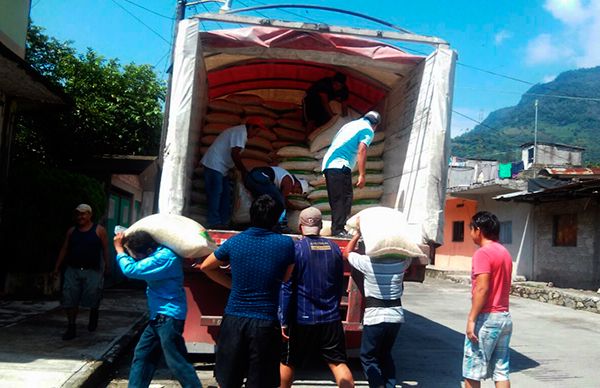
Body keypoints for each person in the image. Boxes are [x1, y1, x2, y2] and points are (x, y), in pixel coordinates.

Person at [200, 195, 296, 388]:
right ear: (277, 218)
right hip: (265, 322)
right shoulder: (285, 244)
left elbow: (206, 266)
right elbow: (286, 278)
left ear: (252, 215)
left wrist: (231, 284)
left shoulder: (236, 242)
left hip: (234, 319)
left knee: (227, 380)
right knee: (261, 381)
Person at [113, 230, 202, 388]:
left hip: (168, 317)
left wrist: (120, 251)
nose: (134, 259)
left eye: (136, 256)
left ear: (148, 251)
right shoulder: (158, 253)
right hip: (158, 317)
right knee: (143, 356)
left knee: (177, 362)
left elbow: (131, 270)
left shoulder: (164, 258)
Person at [279, 207, 354, 388]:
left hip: (301, 318)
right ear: (320, 226)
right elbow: (338, 284)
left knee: (288, 361)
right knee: (337, 362)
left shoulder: (295, 249)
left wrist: (283, 320)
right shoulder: (335, 248)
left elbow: (287, 287)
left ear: (300, 226)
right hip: (330, 318)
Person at [343, 220, 411, 388]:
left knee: (368, 356)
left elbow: (347, 252)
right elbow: (411, 252)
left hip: (375, 317)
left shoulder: (367, 263)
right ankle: (389, 385)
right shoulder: (401, 264)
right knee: (385, 354)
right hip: (396, 316)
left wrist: (357, 234)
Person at [463, 211, 513, 388]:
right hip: (504, 316)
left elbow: (482, 288)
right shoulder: (504, 252)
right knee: (501, 371)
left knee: (472, 372)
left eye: (471, 228)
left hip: (486, 318)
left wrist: (471, 319)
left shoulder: (483, 253)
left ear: (478, 230)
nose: (470, 233)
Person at [54, 203, 109, 340]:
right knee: (69, 298)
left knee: (92, 294)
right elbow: (64, 249)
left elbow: (106, 249)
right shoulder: (72, 231)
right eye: (78, 214)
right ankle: (71, 326)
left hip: (92, 270)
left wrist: (107, 266)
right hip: (73, 270)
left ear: (90, 215)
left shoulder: (99, 230)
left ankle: (94, 310)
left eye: (83, 213)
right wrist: (57, 267)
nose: (80, 216)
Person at [322, 111, 381, 237]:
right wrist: (362, 174)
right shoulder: (368, 130)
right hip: (339, 165)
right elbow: (362, 149)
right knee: (343, 199)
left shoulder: (351, 125)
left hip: (330, 164)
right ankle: (338, 230)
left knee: (340, 199)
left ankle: (337, 228)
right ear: (375, 125)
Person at [200, 117, 267, 228]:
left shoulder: (241, 134)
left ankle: (224, 221)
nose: (256, 134)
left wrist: (234, 169)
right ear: (250, 127)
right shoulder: (241, 132)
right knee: (216, 193)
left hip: (222, 168)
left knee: (226, 195)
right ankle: (214, 222)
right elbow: (235, 154)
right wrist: (244, 171)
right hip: (214, 165)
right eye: (256, 131)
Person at [244, 166, 310, 231]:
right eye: (297, 191)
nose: (294, 192)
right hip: (259, 177)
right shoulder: (289, 182)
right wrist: (292, 207)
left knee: (262, 203)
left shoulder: (286, 178)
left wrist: (293, 207)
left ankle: (255, 223)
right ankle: (282, 225)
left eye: (297, 193)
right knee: (278, 202)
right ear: (298, 184)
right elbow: (282, 200)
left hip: (252, 178)